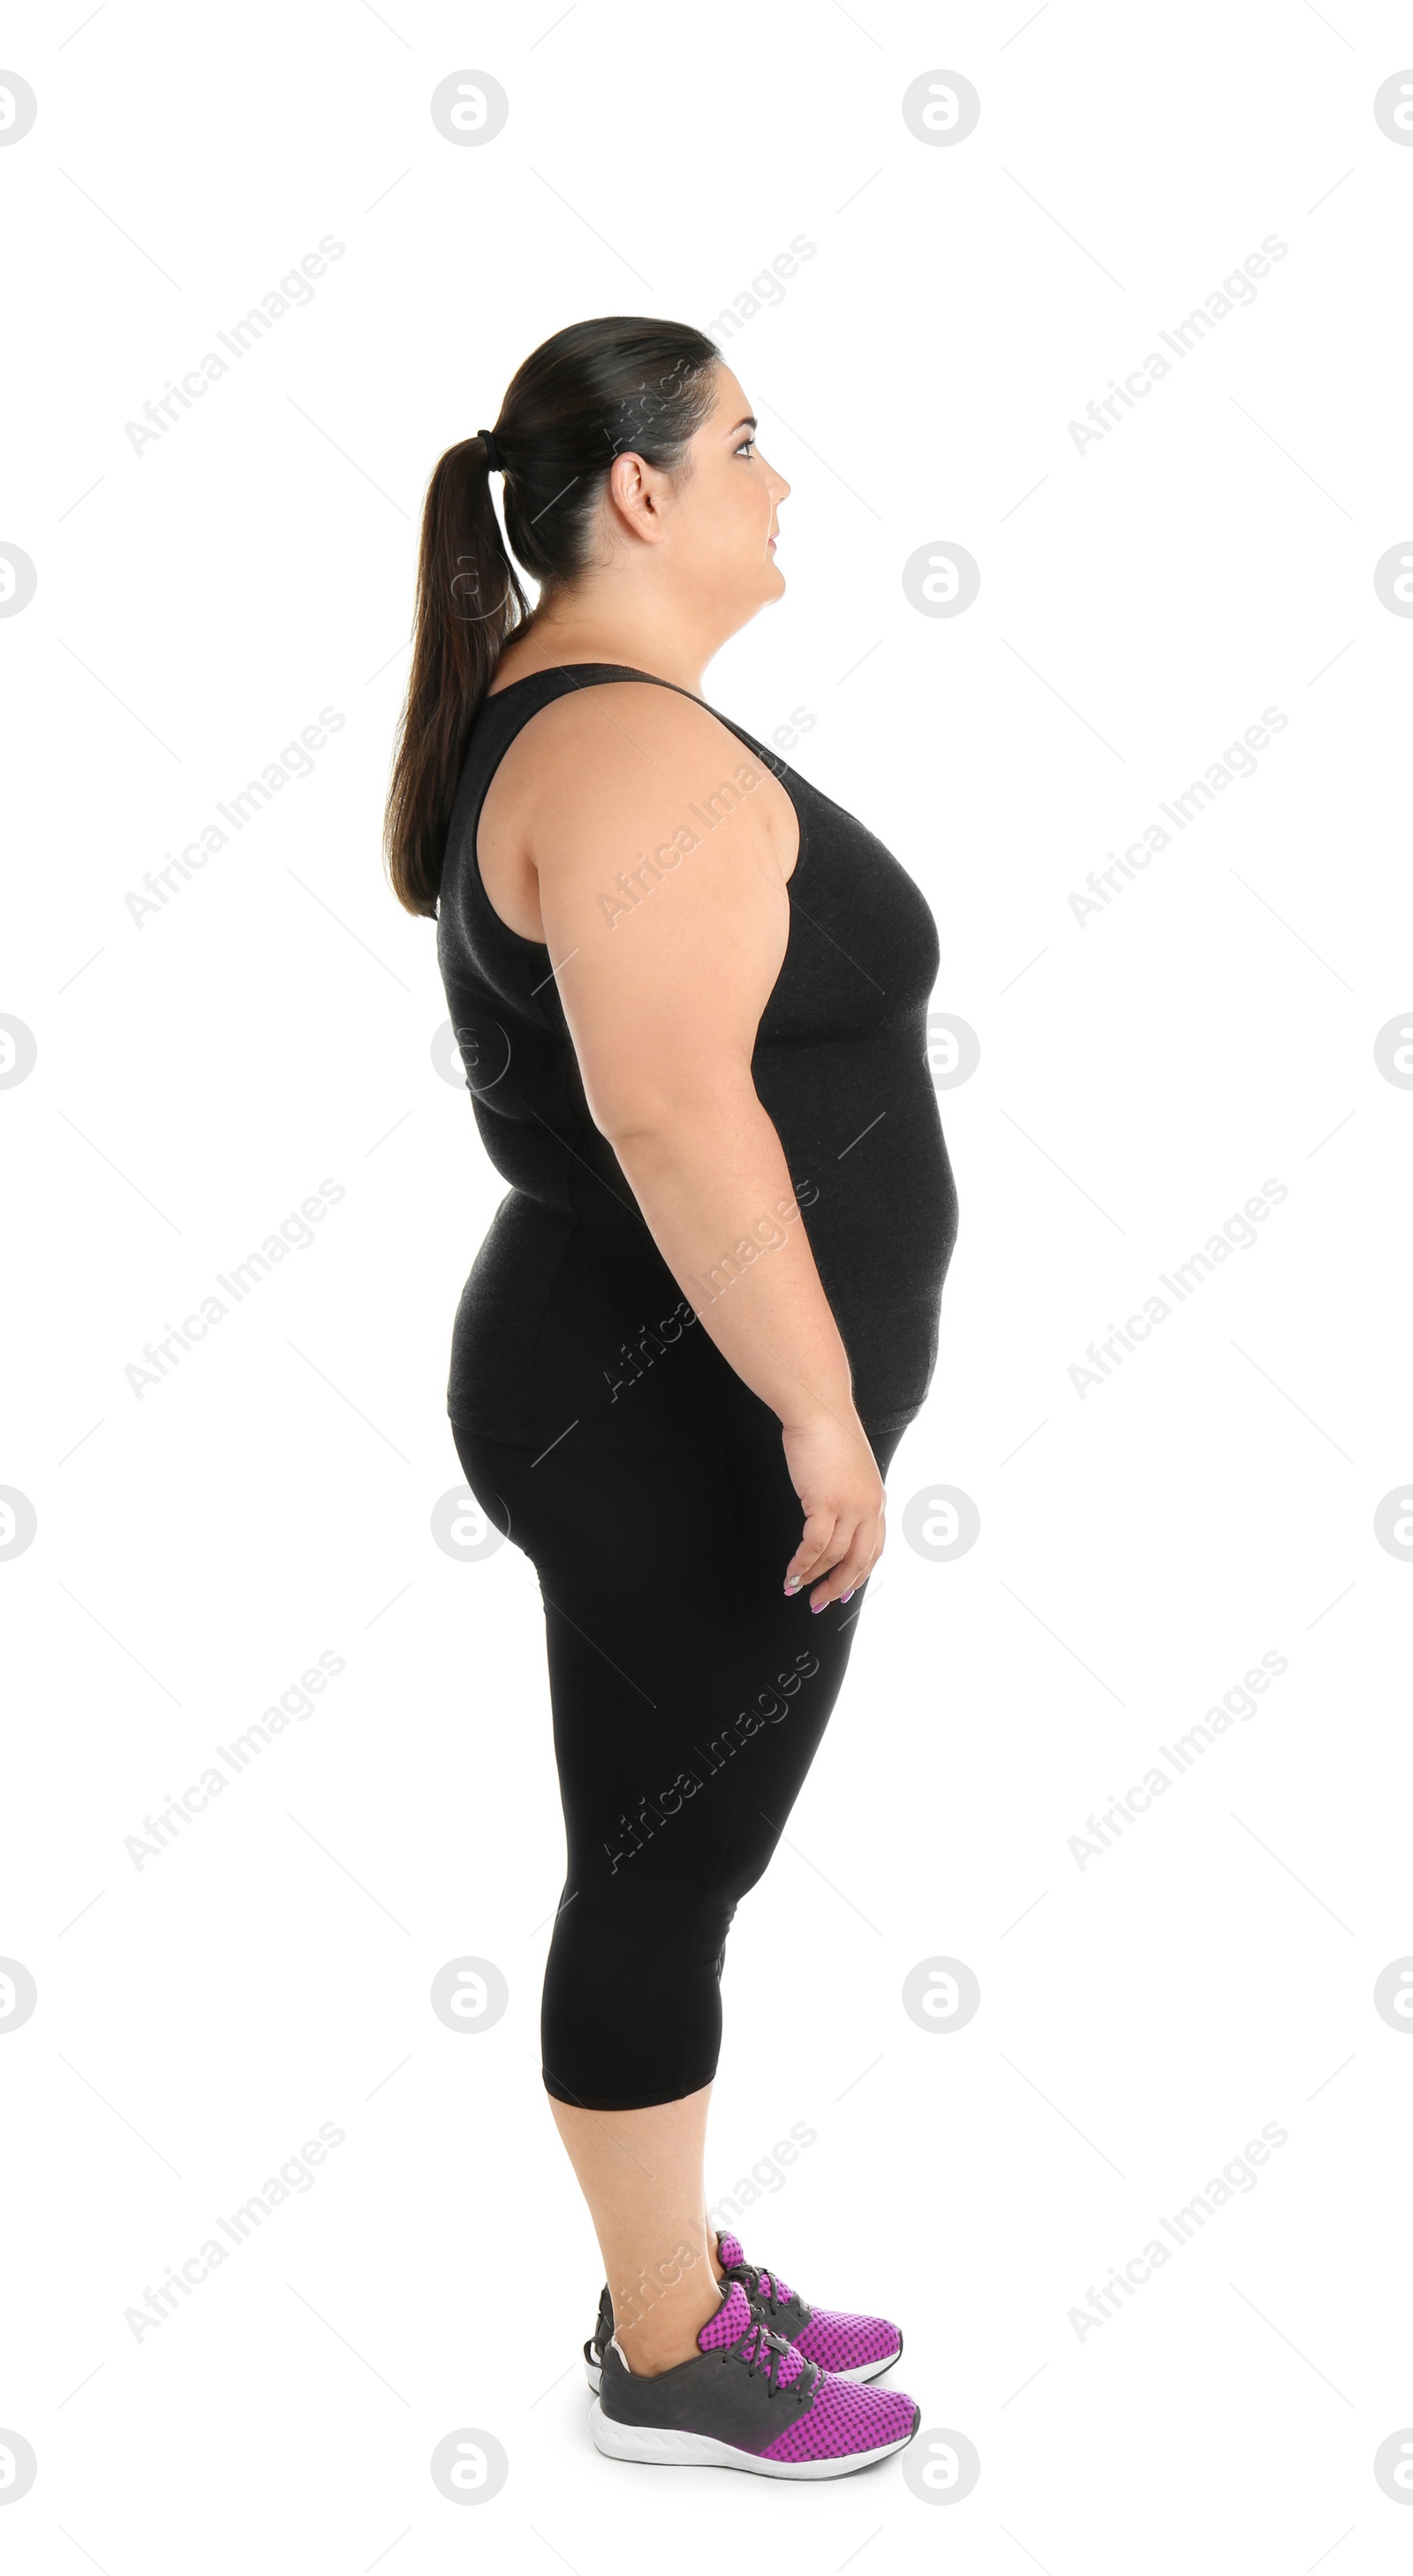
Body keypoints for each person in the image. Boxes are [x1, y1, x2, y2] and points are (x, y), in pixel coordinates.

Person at [385, 318, 958, 2477]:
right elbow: (667, 1110)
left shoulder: (592, 724)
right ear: (637, 494)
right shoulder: (625, 756)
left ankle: (677, 2274)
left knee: (662, 1854)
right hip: (668, 1417)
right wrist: (817, 1412)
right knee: (660, 1872)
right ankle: (660, 2357)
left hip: (631, 1393)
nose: (775, 483)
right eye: (740, 446)